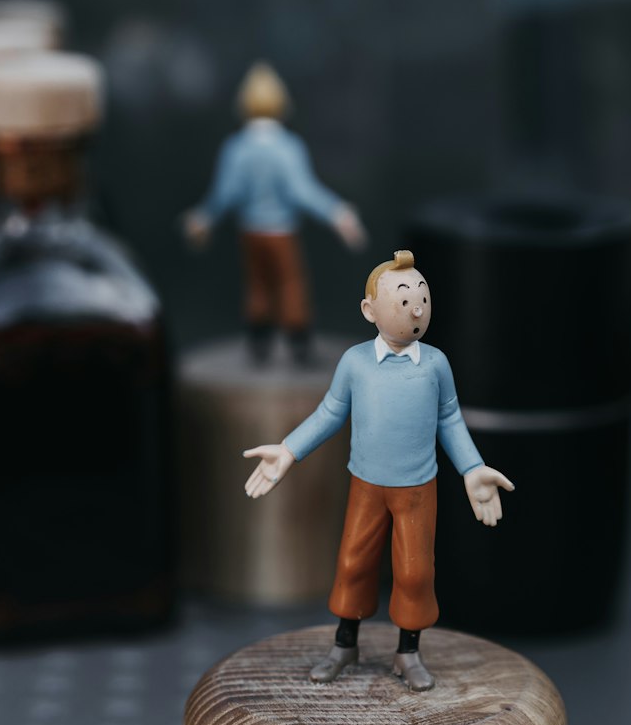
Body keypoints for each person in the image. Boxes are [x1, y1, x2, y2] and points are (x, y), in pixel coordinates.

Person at [243, 249, 514, 691]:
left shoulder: (436, 365)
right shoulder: (355, 363)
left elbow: (450, 419)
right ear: (370, 310)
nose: (417, 309)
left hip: (417, 489)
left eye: (422, 298)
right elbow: (330, 413)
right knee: (353, 562)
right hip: (366, 485)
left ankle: (408, 652)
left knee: (415, 571)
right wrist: (289, 450)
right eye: (404, 299)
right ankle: (344, 643)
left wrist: (472, 467)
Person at [183, 61, 366, 363]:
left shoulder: (237, 147)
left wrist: (205, 216)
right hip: (281, 231)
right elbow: (303, 191)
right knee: (290, 284)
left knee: (257, 285)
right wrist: (337, 212)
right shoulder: (287, 147)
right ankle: (299, 345)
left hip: (251, 231)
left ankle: (259, 343)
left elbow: (226, 192)